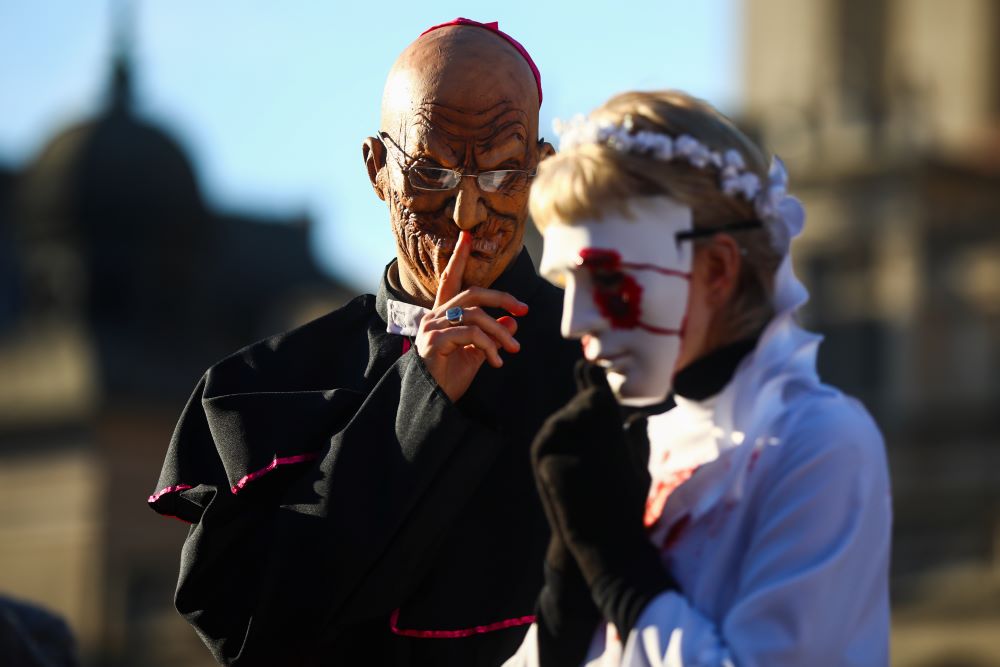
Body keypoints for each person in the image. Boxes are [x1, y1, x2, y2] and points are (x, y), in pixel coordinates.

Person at [147, 19, 580, 666]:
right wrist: (419, 400)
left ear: (540, 173)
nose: (467, 214)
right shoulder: (263, 390)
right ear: (377, 167)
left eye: (499, 176)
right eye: (431, 173)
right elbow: (255, 631)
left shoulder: (600, 364)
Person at [505, 90, 892, 666]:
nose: (572, 323)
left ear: (715, 268)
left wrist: (622, 571)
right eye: (566, 287)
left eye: (606, 282)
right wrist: (567, 601)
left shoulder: (821, 441)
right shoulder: (646, 448)